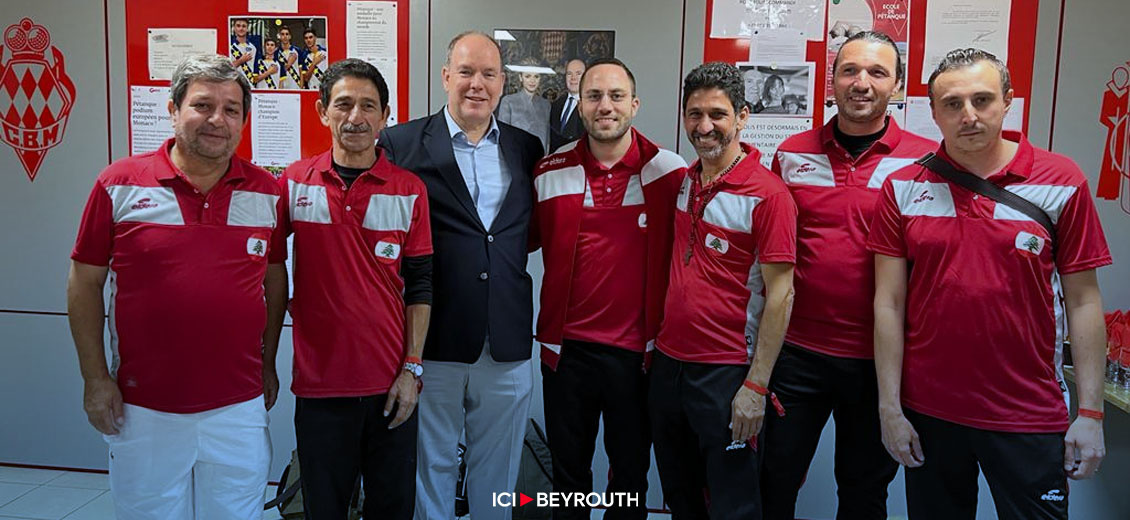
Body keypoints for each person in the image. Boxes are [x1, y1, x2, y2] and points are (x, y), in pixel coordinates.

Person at [869, 48, 1111, 519]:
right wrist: (889, 410)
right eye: (953, 104)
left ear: (1008, 101)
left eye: (982, 100)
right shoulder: (901, 187)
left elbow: (1084, 301)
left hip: (1029, 413)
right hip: (930, 413)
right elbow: (888, 303)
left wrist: (1091, 413)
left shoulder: (1061, 181)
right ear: (933, 111)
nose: (969, 116)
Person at [67, 54, 286, 520]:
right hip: (143, 407)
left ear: (244, 121)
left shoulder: (267, 192)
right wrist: (95, 380)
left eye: (231, 110)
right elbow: (84, 283)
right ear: (173, 109)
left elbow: (273, 281)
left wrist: (268, 363)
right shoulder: (118, 184)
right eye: (203, 105)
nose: (217, 120)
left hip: (238, 408)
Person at [761, 31, 936, 520]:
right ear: (832, 81)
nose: (862, 83)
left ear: (897, 85)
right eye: (850, 70)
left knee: (864, 493)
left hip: (881, 362)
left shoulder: (926, 161)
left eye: (877, 72)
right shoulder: (792, 154)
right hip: (797, 356)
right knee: (773, 481)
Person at [377, 31, 544, 520]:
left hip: (508, 337)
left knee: (498, 474)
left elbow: (524, 235)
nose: (477, 84)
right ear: (446, 76)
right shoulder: (401, 143)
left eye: (489, 74)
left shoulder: (526, 147)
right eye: (466, 72)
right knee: (430, 469)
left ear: (502, 82)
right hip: (434, 340)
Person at [531, 57, 686, 520]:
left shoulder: (670, 172)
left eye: (616, 96)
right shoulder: (548, 171)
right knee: (569, 478)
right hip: (566, 353)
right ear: (580, 106)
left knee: (631, 477)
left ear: (634, 104)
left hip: (638, 358)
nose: (605, 106)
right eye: (594, 96)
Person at [278, 58, 431, 520]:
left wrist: (413, 370)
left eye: (369, 106)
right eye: (343, 104)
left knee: (391, 508)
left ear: (385, 116)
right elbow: (260, 266)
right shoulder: (293, 183)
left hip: (390, 386)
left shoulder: (410, 189)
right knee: (324, 509)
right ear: (323, 111)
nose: (356, 117)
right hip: (319, 388)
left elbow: (421, 285)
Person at [649, 61, 797, 519]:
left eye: (717, 113)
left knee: (733, 504)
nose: (704, 125)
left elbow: (782, 295)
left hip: (728, 373)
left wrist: (756, 385)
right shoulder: (686, 181)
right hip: (670, 365)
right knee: (680, 494)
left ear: (743, 116)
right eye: (694, 114)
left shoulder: (769, 196)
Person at [498, 64, 551, 152]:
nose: (532, 81)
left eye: (536, 76)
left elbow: (547, 139)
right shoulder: (508, 101)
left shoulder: (545, 105)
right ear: (520, 78)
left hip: (540, 158)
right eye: (528, 76)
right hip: (516, 155)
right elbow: (503, 136)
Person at [549, 58, 586, 151]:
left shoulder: (591, 106)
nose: (573, 78)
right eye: (569, 73)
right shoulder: (556, 104)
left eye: (578, 73)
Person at [229, 18, 260, 85]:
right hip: (233, 84)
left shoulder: (253, 48)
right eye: (238, 26)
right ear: (234, 28)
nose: (241, 28)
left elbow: (256, 69)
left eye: (244, 26)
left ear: (247, 29)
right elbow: (226, 68)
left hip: (249, 85)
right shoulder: (229, 46)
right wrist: (241, 60)